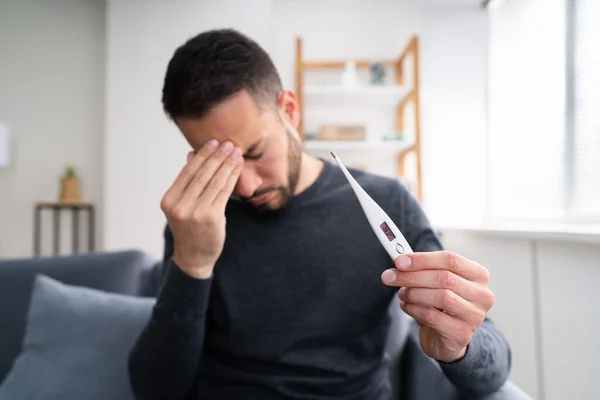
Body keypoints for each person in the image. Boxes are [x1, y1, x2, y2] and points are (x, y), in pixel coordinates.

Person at [128, 28, 511, 400]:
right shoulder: (196, 222)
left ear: (289, 111)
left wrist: (459, 345)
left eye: (255, 152)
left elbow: (492, 371)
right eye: (217, 161)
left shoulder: (387, 201)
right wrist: (193, 263)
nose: (245, 187)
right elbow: (155, 388)